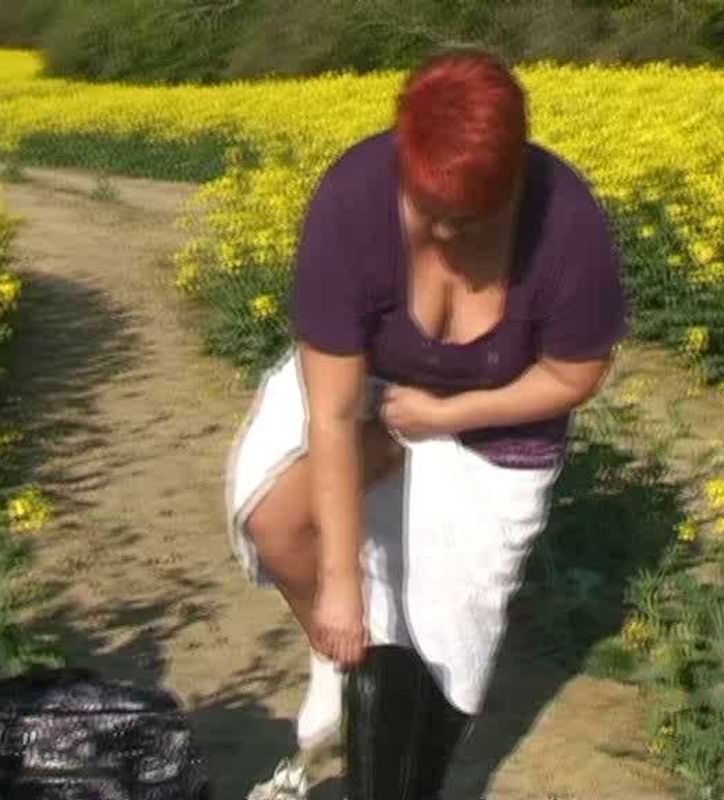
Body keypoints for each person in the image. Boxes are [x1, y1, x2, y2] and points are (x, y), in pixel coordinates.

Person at [227, 46, 630, 800]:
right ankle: (349, 659)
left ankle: (396, 772)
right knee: (279, 523)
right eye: (427, 211)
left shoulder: (566, 223)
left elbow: (575, 374)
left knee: (447, 640)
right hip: (371, 395)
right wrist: (340, 589)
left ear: (514, 182)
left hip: (498, 418)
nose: (443, 235)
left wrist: (450, 414)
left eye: (468, 220)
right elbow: (335, 411)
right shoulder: (351, 204)